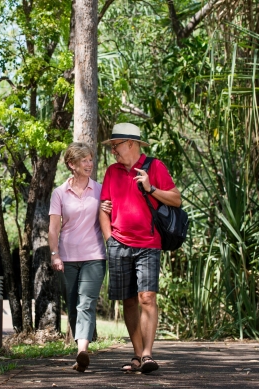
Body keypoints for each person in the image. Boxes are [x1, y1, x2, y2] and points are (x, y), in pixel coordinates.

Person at [99, 123, 181, 374]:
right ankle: (136, 354)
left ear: (131, 144)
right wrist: (109, 239)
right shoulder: (112, 172)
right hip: (119, 245)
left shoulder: (154, 167)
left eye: (116, 145)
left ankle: (148, 355)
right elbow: (104, 208)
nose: (113, 150)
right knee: (129, 300)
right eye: (112, 146)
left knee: (147, 297)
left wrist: (151, 188)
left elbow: (176, 199)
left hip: (148, 244)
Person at [49, 142, 107, 373]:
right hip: (68, 257)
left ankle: (82, 351)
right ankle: (80, 350)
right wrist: (55, 254)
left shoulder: (101, 189)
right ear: (71, 164)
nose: (89, 164)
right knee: (72, 305)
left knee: (86, 303)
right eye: (84, 160)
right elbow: (54, 228)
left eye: (91, 160)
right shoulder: (60, 193)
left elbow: (109, 214)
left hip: (94, 255)